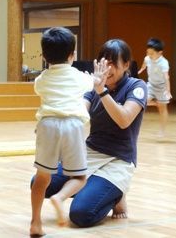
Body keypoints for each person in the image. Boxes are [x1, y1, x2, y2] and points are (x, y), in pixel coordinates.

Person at [36, 38, 147, 228]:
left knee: (81, 215)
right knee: (39, 183)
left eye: (113, 64)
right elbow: (78, 113)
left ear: (126, 65)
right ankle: (100, 189)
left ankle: (116, 194)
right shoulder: (92, 86)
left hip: (118, 159)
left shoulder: (136, 86)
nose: (107, 69)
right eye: (104, 63)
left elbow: (124, 120)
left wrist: (102, 92)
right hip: (89, 153)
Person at [30, 27, 108, 237]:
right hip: (73, 125)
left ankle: (36, 223)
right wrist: (97, 77)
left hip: (47, 126)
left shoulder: (41, 80)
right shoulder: (79, 77)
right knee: (80, 177)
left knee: (42, 178)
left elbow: (38, 89)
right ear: (72, 55)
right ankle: (60, 198)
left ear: (45, 56)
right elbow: (94, 84)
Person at [138, 38, 172, 137]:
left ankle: (162, 130)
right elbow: (144, 65)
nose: (149, 55)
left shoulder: (164, 63)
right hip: (151, 85)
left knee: (162, 109)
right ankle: (156, 103)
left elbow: (166, 77)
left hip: (162, 87)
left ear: (160, 53)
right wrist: (140, 70)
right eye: (148, 52)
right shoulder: (147, 58)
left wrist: (168, 91)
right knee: (142, 101)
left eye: (152, 53)